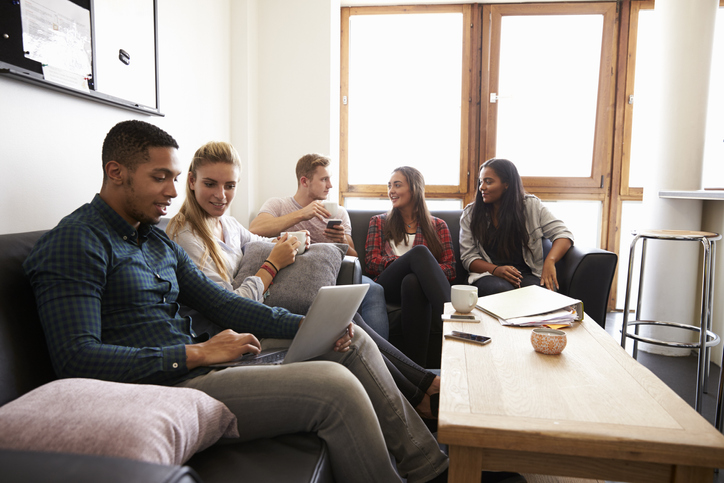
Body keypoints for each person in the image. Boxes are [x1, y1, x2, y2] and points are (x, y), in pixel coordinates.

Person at [22, 121, 452, 483]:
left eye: (175, 177)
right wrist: (194, 353)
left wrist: (306, 326)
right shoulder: (76, 243)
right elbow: (76, 360)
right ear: (116, 172)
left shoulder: (152, 238)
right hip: (168, 383)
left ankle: (430, 467)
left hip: (205, 362)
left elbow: (224, 305)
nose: (174, 191)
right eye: (161, 177)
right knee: (335, 389)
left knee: (350, 338)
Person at [166, 141, 440, 420]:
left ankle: (424, 385)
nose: (221, 195)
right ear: (191, 181)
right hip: (234, 337)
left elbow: (262, 241)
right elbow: (228, 309)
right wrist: (273, 264)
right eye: (211, 184)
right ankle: (420, 395)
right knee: (346, 332)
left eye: (230, 186)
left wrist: (291, 243)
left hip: (257, 317)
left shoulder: (228, 225)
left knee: (349, 321)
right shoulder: (187, 237)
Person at [249, 153, 390, 339]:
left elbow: (354, 257)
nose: (330, 185)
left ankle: (376, 356)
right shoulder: (278, 204)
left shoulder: (338, 212)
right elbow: (255, 229)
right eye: (324, 179)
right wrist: (302, 214)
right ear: (304, 181)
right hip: (291, 275)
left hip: (335, 274)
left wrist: (342, 239)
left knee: (373, 289)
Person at [365, 167, 456, 367]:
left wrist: (420, 270)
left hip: (415, 289)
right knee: (420, 253)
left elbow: (450, 269)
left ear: (414, 189)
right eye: (389, 186)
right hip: (388, 286)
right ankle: (455, 318)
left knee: (412, 281)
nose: (391, 191)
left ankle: (418, 374)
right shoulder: (379, 222)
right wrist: (406, 263)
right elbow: (371, 262)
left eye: (397, 185)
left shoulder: (438, 226)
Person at [459, 158, 574, 297]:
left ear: (506, 184)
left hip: (525, 275)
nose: (481, 187)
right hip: (488, 275)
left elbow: (563, 234)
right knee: (501, 290)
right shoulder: (470, 214)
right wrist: (496, 270)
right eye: (480, 181)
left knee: (541, 294)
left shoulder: (531, 206)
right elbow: (468, 258)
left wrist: (550, 261)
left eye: (488, 182)